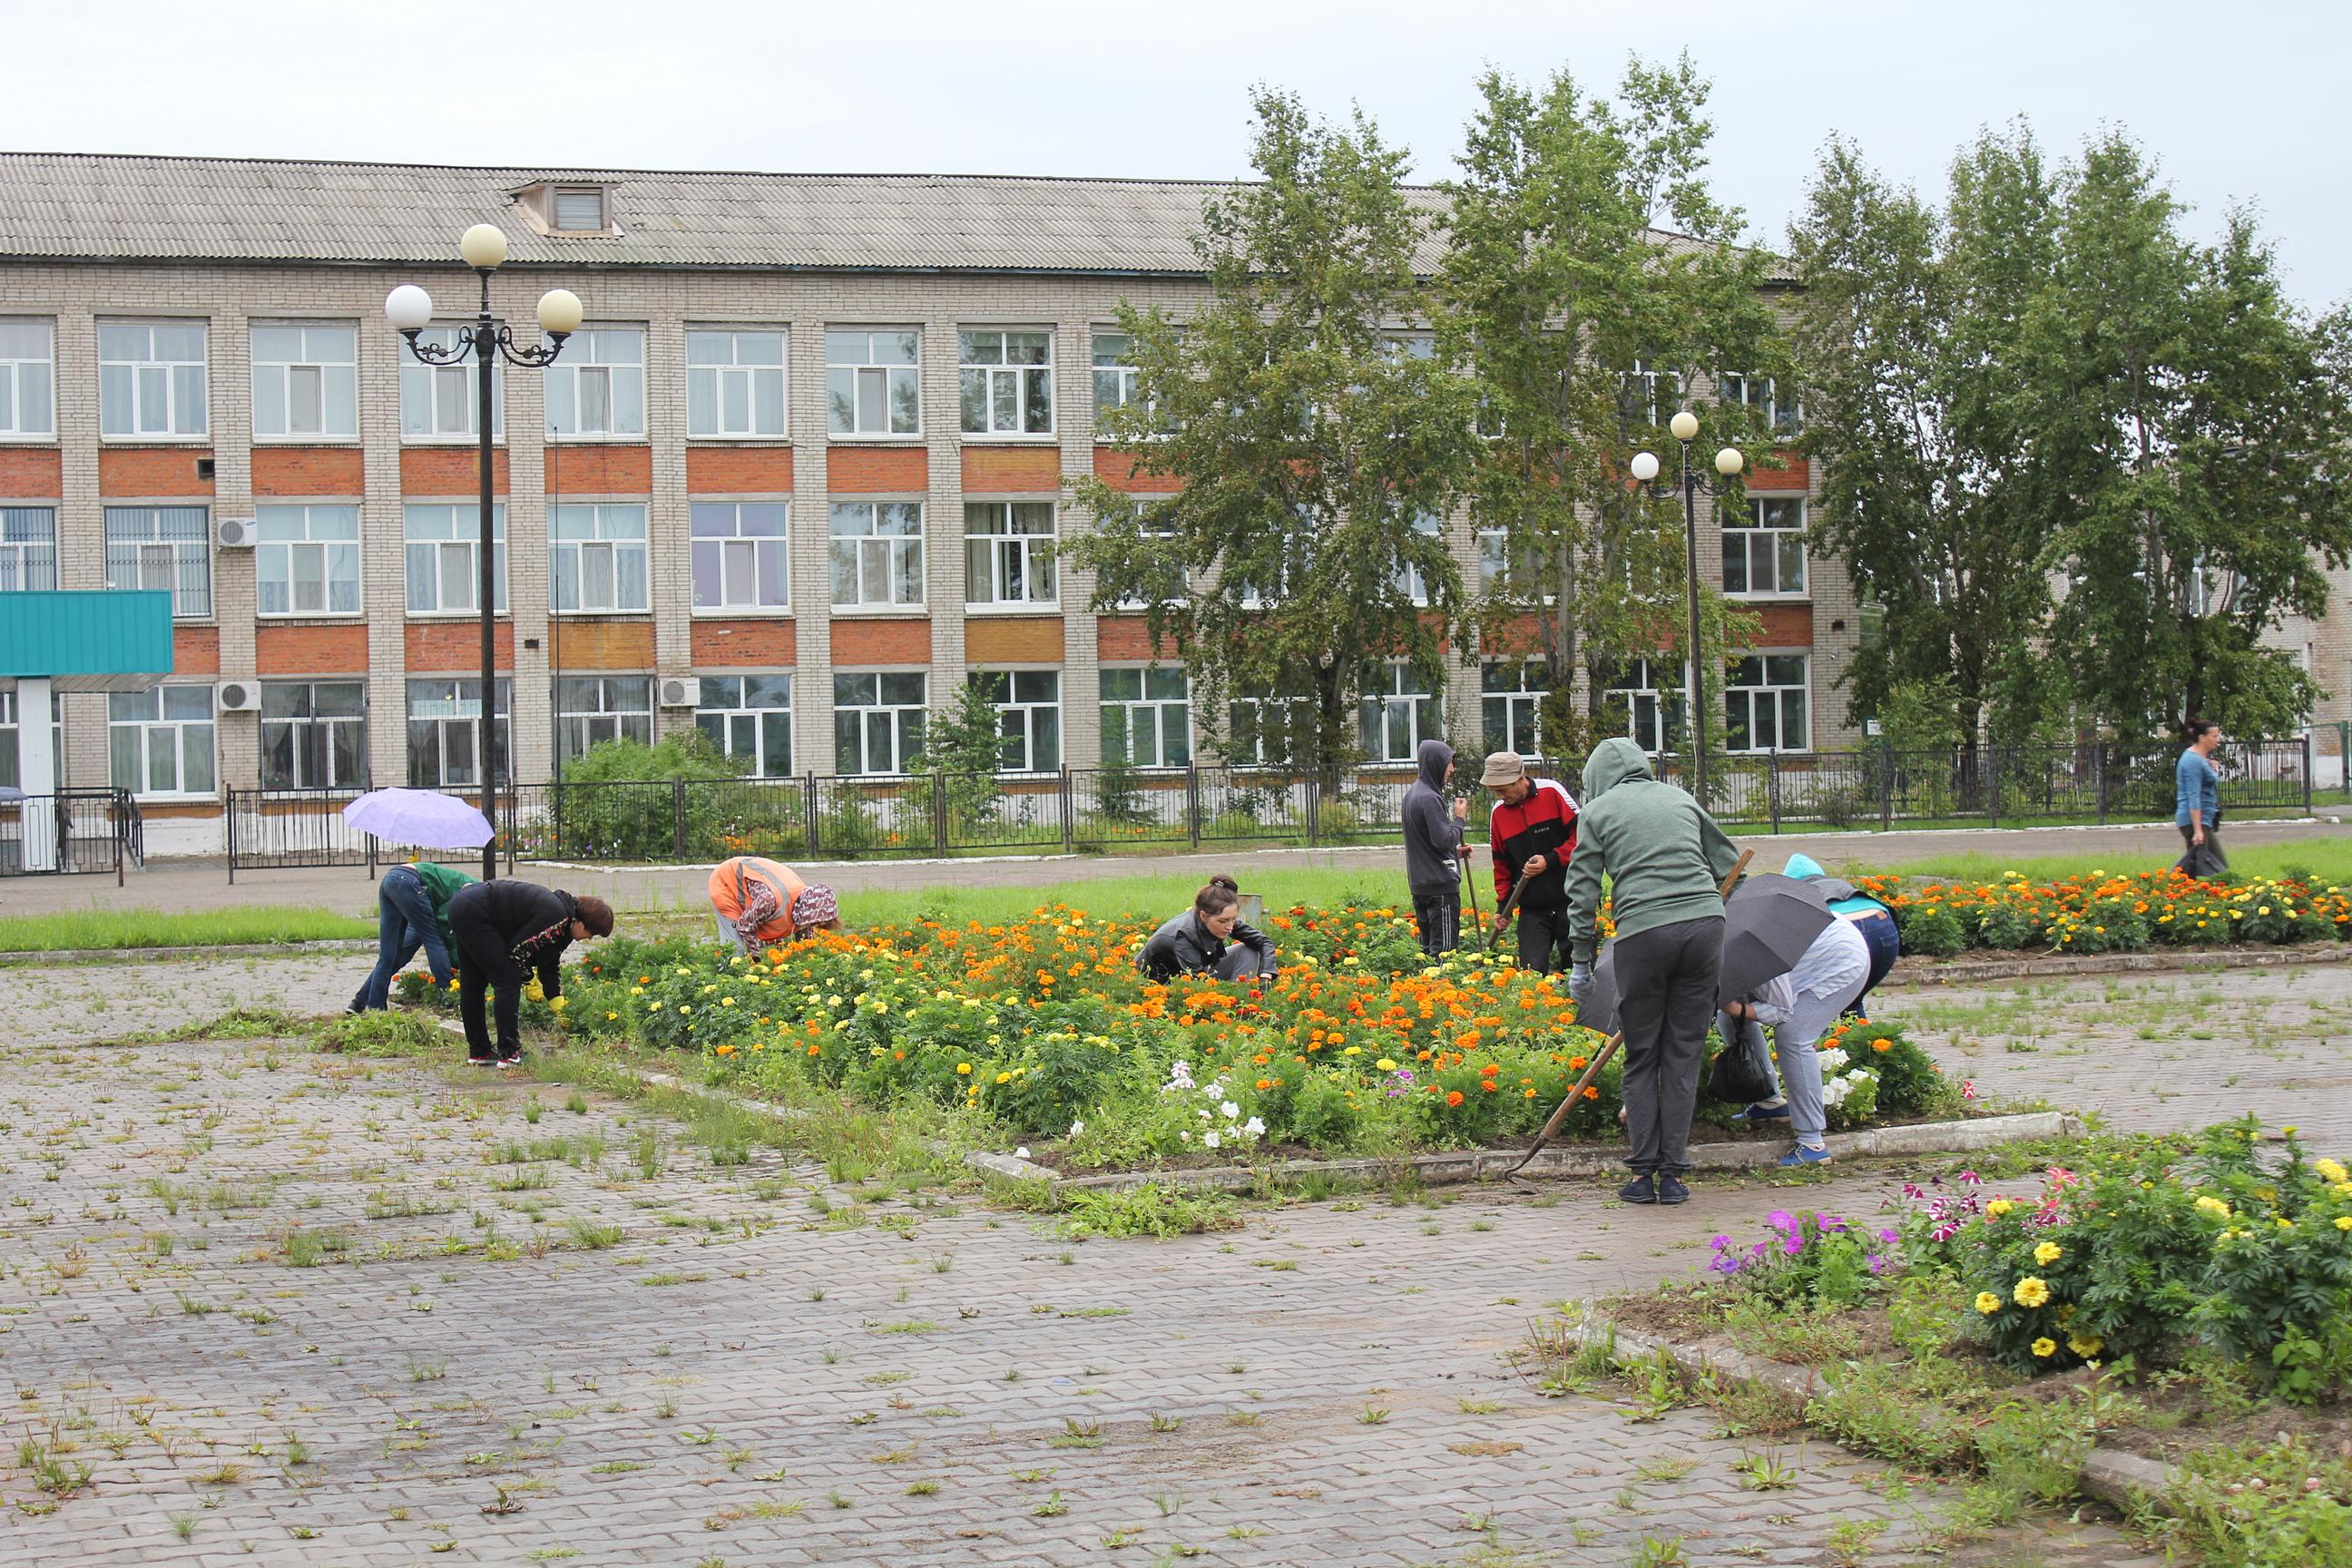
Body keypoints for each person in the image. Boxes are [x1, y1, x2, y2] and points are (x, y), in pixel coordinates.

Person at [1563, 737, 1740, 1207]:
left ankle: (1643, 1176)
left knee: (1643, 1053)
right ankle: (1676, 1177)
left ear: (1595, 778)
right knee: (1683, 1052)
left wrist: (1581, 961)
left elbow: (1582, 891)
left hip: (1644, 934)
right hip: (1705, 927)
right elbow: (1731, 868)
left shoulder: (1596, 814)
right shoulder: (1680, 798)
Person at [1719, 912, 1873, 1167]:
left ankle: (1813, 1143)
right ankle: (1769, 1101)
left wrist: (1740, 1009)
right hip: (1809, 952)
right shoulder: (1724, 946)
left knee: (1793, 1036)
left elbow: (1781, 1009)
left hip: (1842, 960)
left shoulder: (1757, 958)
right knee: (1728, 1019)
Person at [445, 881, 614, 1067]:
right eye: (592, 933)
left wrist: (558, 1003)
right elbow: (517, 951)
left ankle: (480, 1052)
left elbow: (549, 964)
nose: (588, 939)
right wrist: (528, 979)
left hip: (464, 907)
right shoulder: (556, 916)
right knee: (508, 980)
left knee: (474, 982)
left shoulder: (564, 925)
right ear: (581, 923)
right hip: (475, 912)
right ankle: (510, 1053)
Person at [1481, 751, 1580, 973]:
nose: (1499, 796)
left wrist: (1551, 859)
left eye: (1503, 790)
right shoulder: (1498, 815)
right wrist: (1502, 907)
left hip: (1570, 901)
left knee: (1579, 971)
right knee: (1531, 974)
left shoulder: (1552, 792)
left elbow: (1582, 837)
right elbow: (1502, 866)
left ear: (1519, 779)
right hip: (1532, 910)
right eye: (1495, 791)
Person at [348, 859, 475, 1014]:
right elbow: (447, 922)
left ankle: (365, 1005)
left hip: (392, 880)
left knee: (391, 956)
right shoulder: (474, 889)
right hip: (409, 883)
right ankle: (448, 997)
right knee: (433, 940)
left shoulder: (467, 888)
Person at [1780, 852, 1899, 1014]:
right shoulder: (1836, 883)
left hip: (1841, 932)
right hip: (1883, 927)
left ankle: (1822, 1039)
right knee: (1852, 999)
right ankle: (1859, 1037)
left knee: (1818, 1003)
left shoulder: (1795, 894)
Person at [1401, 740, 1470, 959]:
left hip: (1421, 885)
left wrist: (1455, 854)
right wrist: (1459, 820)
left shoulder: (1413, 794)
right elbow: (1443, 841)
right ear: (1436, 763)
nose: (1452, 769)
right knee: (1444, 956)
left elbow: (1425, 843)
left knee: (1428, 954)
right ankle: (1441, 992)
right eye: (1449, 763)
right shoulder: (1430, 798)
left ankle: (1426, 991)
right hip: (1440, 888)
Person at [1135, 876, 1277, 983]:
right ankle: (1236, 1006)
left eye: (1233, 919)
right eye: (1223, 921)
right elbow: (1199, 985)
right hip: (1162, 984)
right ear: (1203, 915)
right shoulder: (1183, 936)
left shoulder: (1223, 920)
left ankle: (1243, 1001)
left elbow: (1264, 942)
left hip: (1196, 973)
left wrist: (1266, 973)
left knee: (1247, 950)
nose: (1230, 927)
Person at [708, 856, 840, 953]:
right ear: (804, 912)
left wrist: (808, 955)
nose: (814, 926)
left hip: (757, 888)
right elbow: (745, 926)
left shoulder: (807, 901)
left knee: (773, 947)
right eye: (814, 923)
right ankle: (726, 981)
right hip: (727, 882)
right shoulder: (770, 901)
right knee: (736, 949)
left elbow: (805, 937)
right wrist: (758, 961)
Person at [2176, 718, 2227, 877]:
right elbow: (2193, 795)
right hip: (2195, 821)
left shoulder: (2198, 759)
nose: (2218, 740)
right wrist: (2198, 830)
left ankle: (2182, 895)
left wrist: (2212, 768)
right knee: (2218, 869)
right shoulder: (2192, 761)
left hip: (2200, 819)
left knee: (2196, 867)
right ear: (2202, 738)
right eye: (2214, 736)